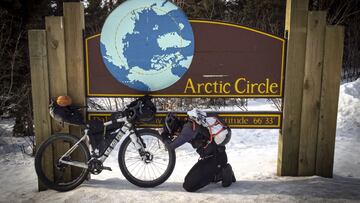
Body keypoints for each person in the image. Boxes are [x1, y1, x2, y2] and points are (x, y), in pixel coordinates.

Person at [161, 109, 236, 192]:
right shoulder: (189, 125)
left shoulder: (188, 129)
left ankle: (223, 171)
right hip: (212, 157)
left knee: (189, 186)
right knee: (188, 179)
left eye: (173, 133)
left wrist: (164, 136)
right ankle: (218, 172)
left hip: (215, 159)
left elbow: (171, 146)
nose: (175, 135)